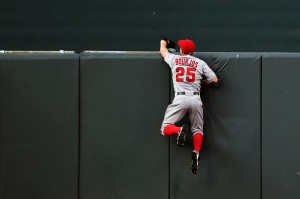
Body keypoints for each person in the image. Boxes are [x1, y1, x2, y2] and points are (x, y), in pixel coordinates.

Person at [160, 38, 218, 174]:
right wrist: (203, 82)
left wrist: (163, 42)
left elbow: (163, 51)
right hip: (195, 97)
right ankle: (196, 152)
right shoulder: (200, 62)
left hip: (180, 97)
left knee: (165, 128)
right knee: (197, 129)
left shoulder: (174, 59)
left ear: (181, 50)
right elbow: (214, 79)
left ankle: (179, 130)